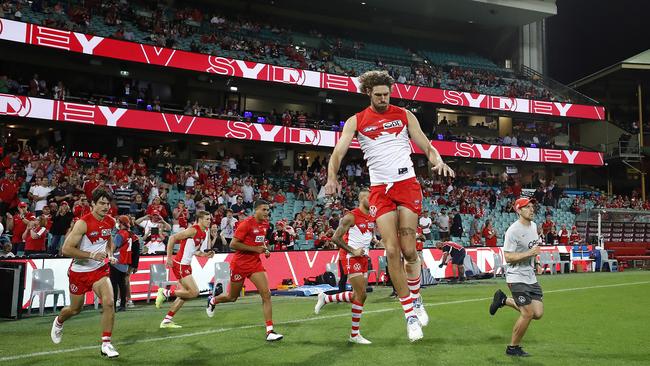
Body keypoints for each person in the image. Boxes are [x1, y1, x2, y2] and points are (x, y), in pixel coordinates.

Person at [325, 70, 454, 342]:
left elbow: (426, 144)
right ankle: (409, 314)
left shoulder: (405, 115)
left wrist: (437, 160)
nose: (383, 99)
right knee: (392, 251)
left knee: (409, 250)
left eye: (387, 94)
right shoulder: (356, 121)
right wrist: (331, 177)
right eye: (378, 95)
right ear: (368, 93)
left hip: (406, 184)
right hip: (380, 191)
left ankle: (417, 298)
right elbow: (338, 152)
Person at [50, 189, 120, 358]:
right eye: (101, 203)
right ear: (92, 205)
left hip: (99, 270)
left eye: (107, 203)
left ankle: (106, 344)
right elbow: (65, 249)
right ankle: (59, 321)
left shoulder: (110, 221)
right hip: (79, 272)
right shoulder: (83, 223)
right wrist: (91, 255)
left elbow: (108, 240)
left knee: (109, 302)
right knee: (75, 309)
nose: (105, 207)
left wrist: (110, 254)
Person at [206, 200, 283, 342]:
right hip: (240, 265)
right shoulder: (246, 224)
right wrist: (255, 249)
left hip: (255, 264)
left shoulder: (266, 225)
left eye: (268, 210)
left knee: (266, 294)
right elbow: (233, 244)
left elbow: (260, 241)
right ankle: (213, 300)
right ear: (256, 210)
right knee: (232, 297)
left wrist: (264, 249)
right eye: (264, 210)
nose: (267, 212)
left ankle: (270, 331)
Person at [314, 189, 374, 344]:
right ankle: (354, 335)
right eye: (370, 197)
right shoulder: (351, 216)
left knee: (358, 295)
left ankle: (326, 298)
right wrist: (353, 251)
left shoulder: (372, 216)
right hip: (351, 258)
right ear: (362, 199)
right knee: (361, 294)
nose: (373, 200)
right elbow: (335, 238)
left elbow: (366, 234)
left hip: (363, 258)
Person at [489, 197, 543, 357]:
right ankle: (512, 348)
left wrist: (536, 262)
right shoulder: (513, 231)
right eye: (527, 207)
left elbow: (533, 248)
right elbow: (508, 257)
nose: (532, 209)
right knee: (527, 313)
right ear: (518, 210)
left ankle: (503, 300)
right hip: (516, 276)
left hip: (530, 276)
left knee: (538, 313)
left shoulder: (533, 226)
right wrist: (530, 254)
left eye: (533, 206)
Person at [155, 210, 213, 328]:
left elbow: (195, 251)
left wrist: (205, 255)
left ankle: (167, 320)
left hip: (186, 265)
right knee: (194, 292)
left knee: (185, 295)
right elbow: (172, 238)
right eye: (207, 219)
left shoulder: (204, 232)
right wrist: (169, 258)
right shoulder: (193, 230)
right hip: (180, 264)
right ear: (200, 220)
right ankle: (165, 292)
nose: (209, 221)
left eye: (210, 219)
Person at [110, 215, 139, 312]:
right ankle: (123, 305)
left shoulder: (120, 234)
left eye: (118, 221)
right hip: (125, 262)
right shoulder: (131, 235)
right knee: (122, 284)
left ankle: (112, 306)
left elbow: (113, 248)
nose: (117, 223)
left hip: (117, 260)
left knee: (113, 285)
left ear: (121, 223)